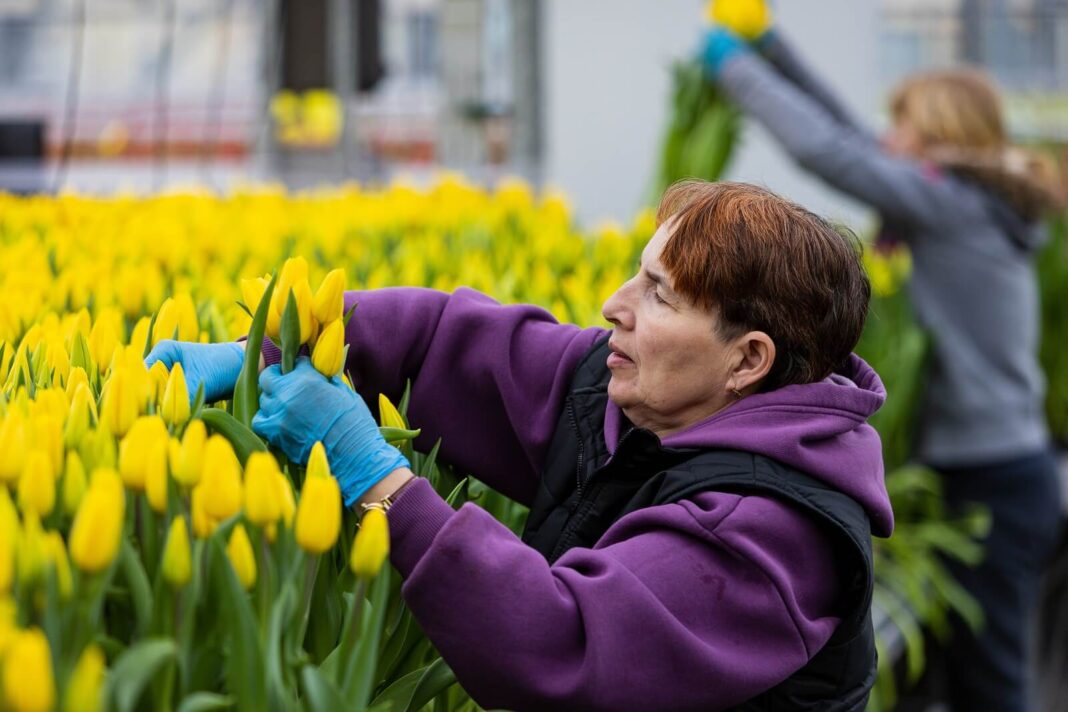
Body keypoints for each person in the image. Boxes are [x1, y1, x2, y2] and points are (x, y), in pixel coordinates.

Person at [147, 181, 891, 711]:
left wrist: (375, 477)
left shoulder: (770, 535)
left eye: (659, 295)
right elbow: (438, 342)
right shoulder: (643, 395)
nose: (615, 306)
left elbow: (562, 641)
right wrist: (260, 351)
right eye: (637, 276)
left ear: (748, 359)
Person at [699, 4, 1066, 711]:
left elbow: (831, 153)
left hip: (992, 483)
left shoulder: (951, 206)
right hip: (1002, 472)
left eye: (902, 128)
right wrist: (773, 49)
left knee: (992, 691)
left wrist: (733, 68)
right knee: (969, 682)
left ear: (938, 140)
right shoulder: (970, 201)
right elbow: (851, 136)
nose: (887, 140)